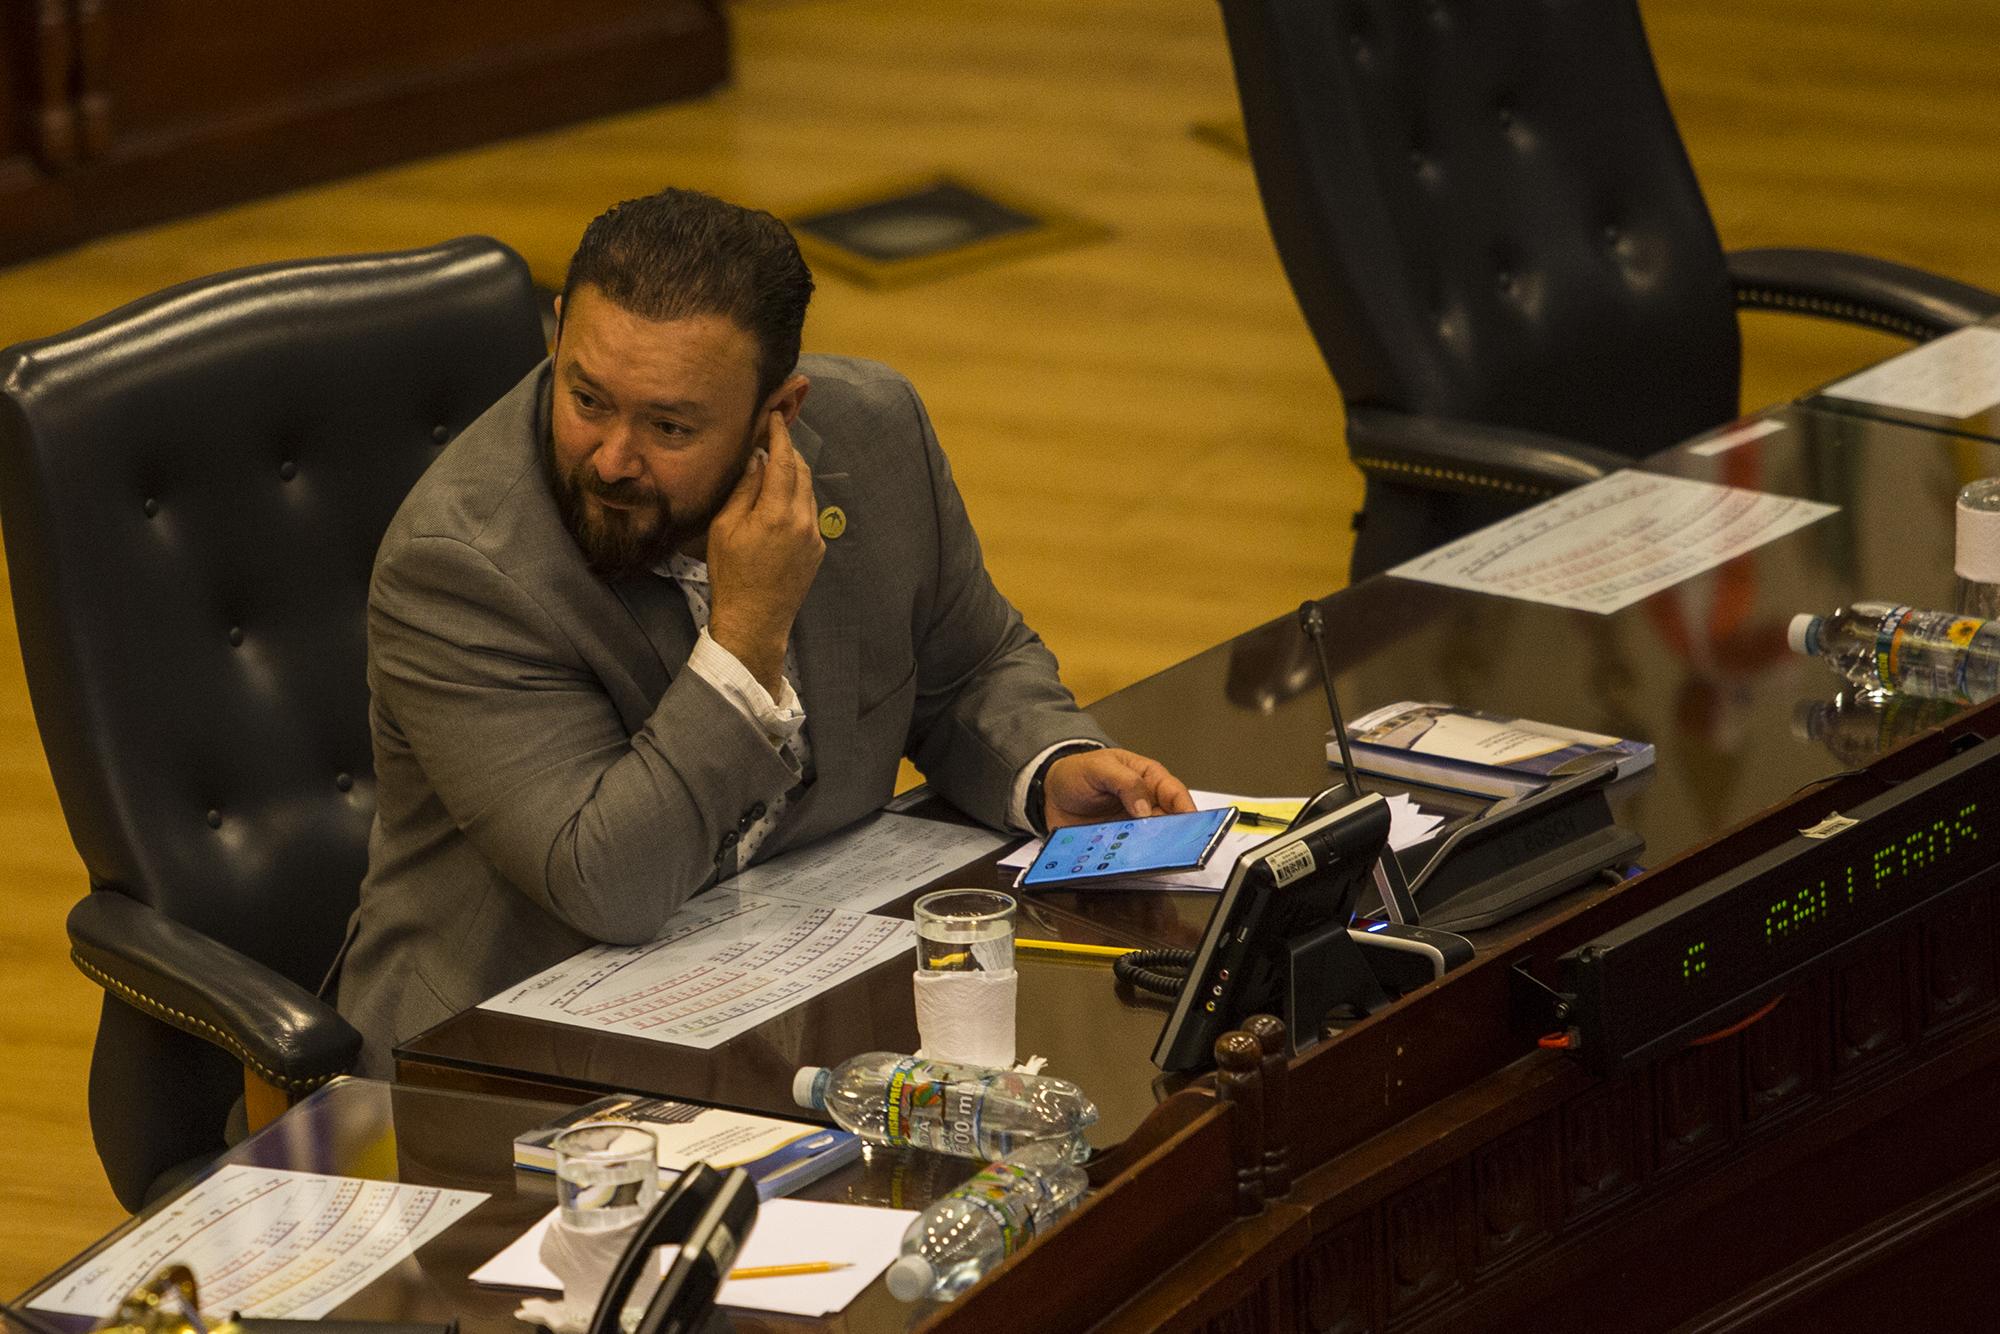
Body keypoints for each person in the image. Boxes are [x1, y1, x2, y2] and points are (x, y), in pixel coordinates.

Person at [332, 188, 1193, 1072]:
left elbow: (969, 665)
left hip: (787, 991)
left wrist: (1045, 765)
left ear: (778, 412)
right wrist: (747, 632)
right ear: (557, 335)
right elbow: (607, 882)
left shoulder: (876, 431)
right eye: (587, 397)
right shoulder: (464, 563)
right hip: (501, 1055)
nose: (612, 457)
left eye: (669, 425)